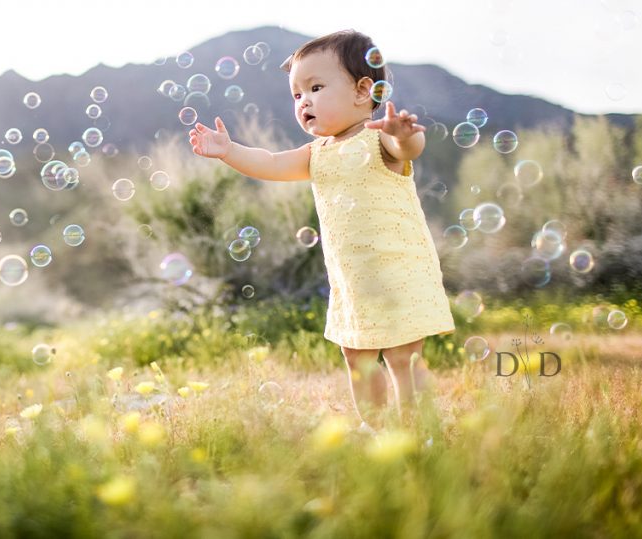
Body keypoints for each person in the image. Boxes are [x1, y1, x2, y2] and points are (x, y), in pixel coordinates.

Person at [188, 29, 455, 434]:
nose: (304, 101)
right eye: (296, 94)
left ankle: (420, 434)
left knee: (403, 358)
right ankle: (379, 430)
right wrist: (229, 151)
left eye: (315, 87)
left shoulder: (379, 138)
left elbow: (408, 148)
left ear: (364, 90)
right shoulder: (317, 154)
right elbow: (271, 162)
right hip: (353, 282)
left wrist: (404, 133)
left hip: (398, 273)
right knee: (357, 358)